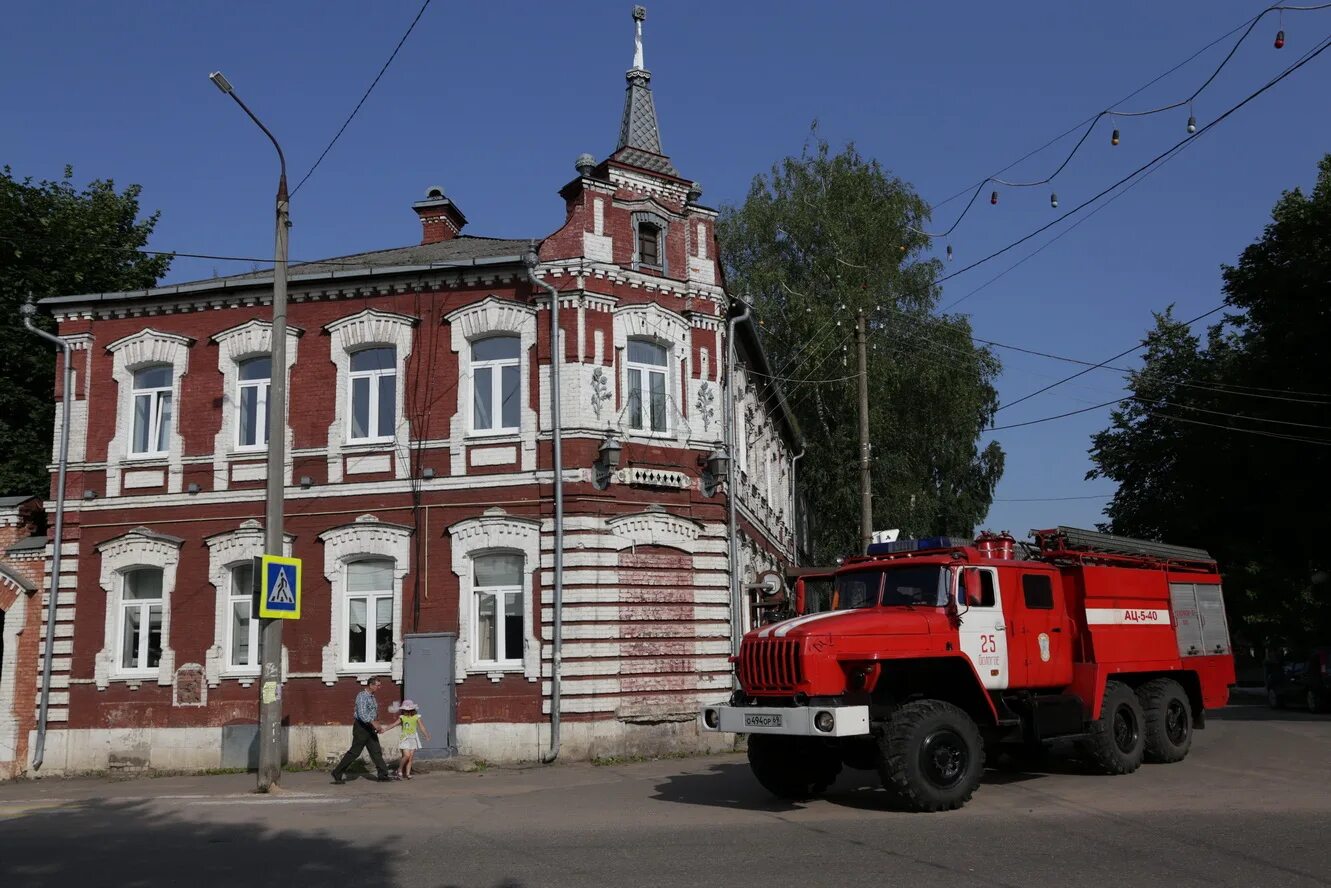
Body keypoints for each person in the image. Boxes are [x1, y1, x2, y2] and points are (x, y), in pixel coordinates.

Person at [330, 676, 393, 784]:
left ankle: (383, 775)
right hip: (361, 728)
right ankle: (337, 772)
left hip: (370, 727)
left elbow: (372, 713)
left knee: (376, 751)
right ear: (371, 685)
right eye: (378, 685)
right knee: (355, 752)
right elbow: (362, 714)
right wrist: (374, 723)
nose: (379, 687)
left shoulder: (372, 697)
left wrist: (377, 725)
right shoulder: (362, 696)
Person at [391, 699, 431, 780]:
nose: (407, 712)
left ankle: (408, 774)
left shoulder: (416, 717)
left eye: (409, 710)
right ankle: (399, 769)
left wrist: (426, 735)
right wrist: (384, 729)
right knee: (407, 755)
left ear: (412, 710)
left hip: (413, 739)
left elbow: (422, 727)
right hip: (405, 738)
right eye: (405, 710)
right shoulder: (402, 717)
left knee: (410, 757)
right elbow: (394, 724)